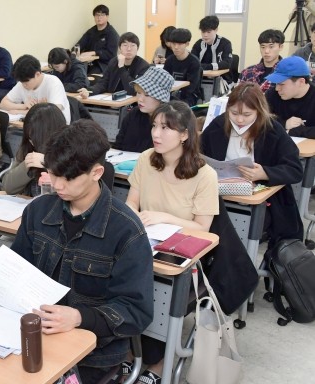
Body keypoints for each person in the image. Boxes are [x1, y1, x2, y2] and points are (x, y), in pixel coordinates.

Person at [0, 119, 154, 384]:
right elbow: (19, 274)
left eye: (67, 177)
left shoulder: (126, 230)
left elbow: (136, 311)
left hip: (90, 353)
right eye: (53, 172)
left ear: (96, 172)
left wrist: (79, 317)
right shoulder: (38, 211)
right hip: (30, 333)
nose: (56, 184)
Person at [125, 100, 219, 384]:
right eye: (155, 125)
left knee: (160, 297)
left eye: (166, 128)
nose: (157, 133)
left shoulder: (205, 174)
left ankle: (159, 365)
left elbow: (203, 227)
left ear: (184, 134)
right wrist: (131, 219)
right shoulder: (146, 159)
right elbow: (131, 202)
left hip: (183, 256)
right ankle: (130, 355)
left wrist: (164, 217)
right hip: (145, 245)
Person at [202, 82, 303, 247]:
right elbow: (197, 155)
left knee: (234, 233)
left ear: (259, 111)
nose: (240, 120)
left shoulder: (272, 130)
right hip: (219, 198)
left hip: (263, 204)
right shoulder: (219, 125)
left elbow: (295, 169)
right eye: (234, 113)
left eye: (247, 114)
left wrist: (265, 173)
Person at [1, 103, 66, 196]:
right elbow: (7, 187)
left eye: (35, 138)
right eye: (29, 136)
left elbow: (75, 193)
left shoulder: (72, 152)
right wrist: (26, 165)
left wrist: (48, 163)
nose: (31, 141)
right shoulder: (28, 147)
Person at [114, 66, 175, 152]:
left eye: (147, 95)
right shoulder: (133, 114)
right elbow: (118, 145)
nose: (140, 99)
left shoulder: (171, 122)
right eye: (138, 93)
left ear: (161, 98)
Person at [0, 55, 71, 124]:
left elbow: (53, 114)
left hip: (55, 128)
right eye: (21, 82)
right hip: (33, 125)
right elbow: (3, 104)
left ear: (37, 74)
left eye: (26, 82)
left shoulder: (53, 82)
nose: (24, 85)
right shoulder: (23, 82)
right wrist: (23, 106)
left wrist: (21, 111)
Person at [79, 32, 149, 98]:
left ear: (137, 48)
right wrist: (89, 91)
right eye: (125, 45)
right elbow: (103, 83)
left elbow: (133, 90)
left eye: (133, 45)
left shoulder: (143, 66)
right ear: (119, 48)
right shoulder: (113, 62)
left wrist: (121, 68)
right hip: (112, 101)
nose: (129, 49)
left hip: (131, 104)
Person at [265, 56, 315, 137]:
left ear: (301, 82)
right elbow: (260, 120)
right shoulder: (272, 95)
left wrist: (295, 131)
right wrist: (284, 124)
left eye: (282, 84)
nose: (277, 88)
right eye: (276, 83)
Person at [75, 4, 119, 74]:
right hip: (88, 62)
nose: (99, 17)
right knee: (75, 71)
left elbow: (111, 54)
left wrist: (93, 53)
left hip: (103, 65)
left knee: (90, 77)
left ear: (107, 16)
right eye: (97, 15)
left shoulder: (112, 33)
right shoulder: (91, 31)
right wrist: (74, 52)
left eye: (102, 15)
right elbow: (80, 44)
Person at [163, 28, 202, 106]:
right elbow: (164, 80)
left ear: (187, 44)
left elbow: (191, 88)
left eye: (180, 44)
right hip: (172, 94)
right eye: (174, 44)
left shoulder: (194, 62)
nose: (176, 47)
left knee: (177, 107)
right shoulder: (169, 60)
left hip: (189, 96)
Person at [191, 15, 233, 84]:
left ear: (216, 30)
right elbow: (192, 61)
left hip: (221, 80)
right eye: (203, 32)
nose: (205, 35)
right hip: (200, 79)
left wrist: (208, 66)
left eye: (208, 32)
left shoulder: (225, 43)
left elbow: (227, 63)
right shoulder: (199, 43)